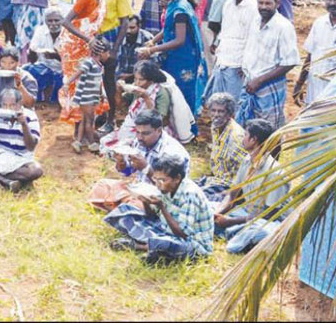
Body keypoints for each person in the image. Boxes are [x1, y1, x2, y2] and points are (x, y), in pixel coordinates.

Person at [106, 153, 214, 263]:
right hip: (168, 229)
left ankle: (140, 246)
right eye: (155, 179)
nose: (158, 184)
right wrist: (145, 202)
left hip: (193, 243)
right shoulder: (166, 187)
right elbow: (153, 217)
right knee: (126, 212)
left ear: (177, 178)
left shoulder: (189, 194)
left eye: (162, 180)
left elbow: (183, 233)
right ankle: (156, 247)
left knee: (172, 245)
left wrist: (162, 207)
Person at [214, 119, 289, 254]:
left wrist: (230, 221)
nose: (242, 138)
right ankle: (234, 234)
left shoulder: (275, 173)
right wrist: (219, 212)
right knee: (209, 208)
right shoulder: (247, 160)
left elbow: (269, 213)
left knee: (262, 232)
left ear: (254, 140)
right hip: (246, 214)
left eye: (245, 135)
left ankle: (234, 234)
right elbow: (232, 194)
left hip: (268, 221)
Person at [139, 0, 206, 116]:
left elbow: (179, 40)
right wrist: (153, 40)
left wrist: (152, 49)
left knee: (182, 93)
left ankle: (187, 128)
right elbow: (168, 28)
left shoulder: (180, 10)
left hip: (183, 58)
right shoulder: (174, 3)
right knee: (172, 90)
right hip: (174, 55)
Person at [56, 0, 119, 126]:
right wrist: (88, 39)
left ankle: (85, 125)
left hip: (87, 45)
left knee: (89, 81)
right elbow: (65, 22)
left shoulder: (101, 1)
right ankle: (79, 126)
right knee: (77, 84)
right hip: (73, 47)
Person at [237, 0, 300, 130]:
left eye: (268, 3)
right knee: (248, 128)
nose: (264, 7)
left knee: (269, 130)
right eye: (261, 3)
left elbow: (289, 62)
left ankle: (274, 154)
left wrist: (259, 81)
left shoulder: (283, 27)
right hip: (250, 83)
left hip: (269, 86)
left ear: (277, 4)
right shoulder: (255, 20)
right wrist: (245, 66)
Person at [205, 0, 258, 100]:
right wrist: (217, 43)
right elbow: (225, 30)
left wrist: (245, 64)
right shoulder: (228, 5)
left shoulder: (253, 7)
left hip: (238, 65)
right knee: (218, 101)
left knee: (234, 102)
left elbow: (254, 38)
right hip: (222, 60)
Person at [95, 0, 132, 132]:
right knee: (95, 80)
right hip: (97, 37)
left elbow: (125, 22)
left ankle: (111, 119)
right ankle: (99, 115)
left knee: (110, 81)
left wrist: (115, 50)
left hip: (112, 37)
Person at [196, 92, 247, 202]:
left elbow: (245, 169)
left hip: (230, 185)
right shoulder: (216, 126)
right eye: (213, 110)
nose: (216, 114)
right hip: (217, 179)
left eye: (221, 111)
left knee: (198, 197)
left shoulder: (236, 137)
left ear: (229, 114)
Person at [294, 0, 336, 105]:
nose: (332, 3)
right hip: (314, 90)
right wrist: (299, 83)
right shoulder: (319, 23)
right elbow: (310, 56)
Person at [67, 43, 110, 153]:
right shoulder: (89, 62)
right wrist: (68, 82)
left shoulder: (99, 66)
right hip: (86, 97)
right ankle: (92, 143)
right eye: (107, 52)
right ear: (101, 52)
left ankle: (78, 141)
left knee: (84, 120)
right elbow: (79, 72)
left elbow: (98, 82)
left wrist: (101, 95)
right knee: (89, 121)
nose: (108, 55)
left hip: (92, 96)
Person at [23, 8, 64, 103]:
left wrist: (56, 56)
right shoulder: (40, 31)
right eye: (50, 21)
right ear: (45, 21)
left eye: (56, 20)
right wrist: (33, 53)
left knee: (57, 99)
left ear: (62, 21)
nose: (53, 24)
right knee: (28, 70)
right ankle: (36, 97)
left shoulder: (67, 33)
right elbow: (32, 52)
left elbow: (70, 59)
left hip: (63, 70)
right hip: (44, 68)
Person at [116, 15, 153, 82]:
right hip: (119, 78)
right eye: (126, 27)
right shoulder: (118, 36)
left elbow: (155, 63)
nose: (128, 31)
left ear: (139, 26)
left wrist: (132, 75)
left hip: (141, 79)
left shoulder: (147, 38)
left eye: (132, 28)